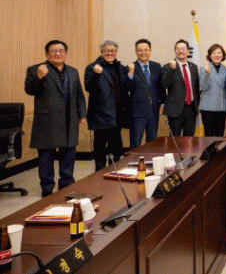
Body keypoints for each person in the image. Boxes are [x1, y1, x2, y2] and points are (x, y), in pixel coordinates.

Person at [25, 40, 87, 197]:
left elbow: (79, 94)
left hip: (70, 119)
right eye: (54, 51)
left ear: (65, 54)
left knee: (69, 155)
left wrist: (82, 114)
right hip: (47, 121)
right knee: (46, 157)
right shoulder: (36, 69)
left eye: (61, 51)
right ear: (47, 54)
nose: (57, 54)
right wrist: (39, 77)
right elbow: (30, 90)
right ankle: (47, 187)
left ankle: (66, 183)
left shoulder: (72, 71)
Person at [85, 40, 129, 171]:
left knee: (116, 146)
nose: (110, 53)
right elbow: (88, 87)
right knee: (100, 146)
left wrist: (131, 75)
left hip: (117, 113)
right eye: (107, 51)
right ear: (101, 52)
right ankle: (99, 173)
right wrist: (95, 75)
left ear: (116, 52)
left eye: (113, 51)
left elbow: (126, 87)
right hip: (101, 115)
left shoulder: (120, 67)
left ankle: (114, 171)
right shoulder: (92, 67)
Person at [126, 39, 164, 149]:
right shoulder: (130, 67)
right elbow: (126, 88)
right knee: (135, 142)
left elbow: (160, 87)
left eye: (146, 50)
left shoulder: (156, 66)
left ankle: (150, 160)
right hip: (137, 111)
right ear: (136, 52)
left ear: (150, 51)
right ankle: (134, 160)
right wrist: (130, 74)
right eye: (140, 50)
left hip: (153, 110)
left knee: (152, 141)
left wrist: (163, 103)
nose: (143, 53)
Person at [161, 39, 201, 136]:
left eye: (183, 49)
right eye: (178, 49)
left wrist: (198, 106)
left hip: (191, 108)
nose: (181, 51)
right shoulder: (167, 67)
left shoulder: (193, 67)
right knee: (174, 140)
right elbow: (164, 85)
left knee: (189, 139)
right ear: (175, 51)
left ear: (188, 51)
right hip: (175, 109)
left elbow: (196, 88)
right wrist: (172, 69)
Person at [199, 44, 226, 137]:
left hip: (222, 107)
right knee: (208, 136)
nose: (217, 55)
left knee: (220, 136)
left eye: (219, 53)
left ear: (223, 55)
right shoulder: (203, 68)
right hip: (207, 108)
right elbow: (203, 87)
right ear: (210, 55)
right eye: (214, 53)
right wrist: (206, 74)